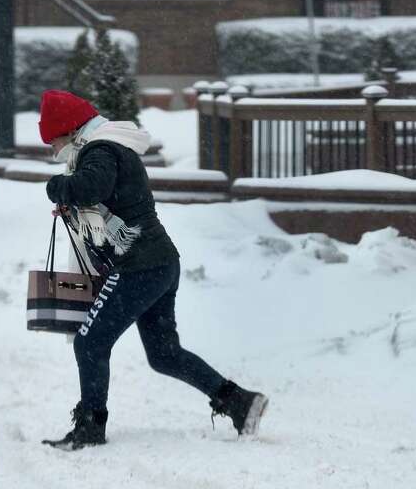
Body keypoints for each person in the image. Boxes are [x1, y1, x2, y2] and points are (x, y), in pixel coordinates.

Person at [37, 89, 268, 451]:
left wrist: (58, 187)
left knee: (90, 341)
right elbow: (103, 196)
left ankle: (91, 427)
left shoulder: (99, 150)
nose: (53, 150)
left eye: (52, 141)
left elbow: (90, 186)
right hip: (159, 263)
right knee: (164, 354)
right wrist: (74, 206)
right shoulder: (110, 147)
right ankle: (239, 401)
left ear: (68, 131)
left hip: (138, 266)